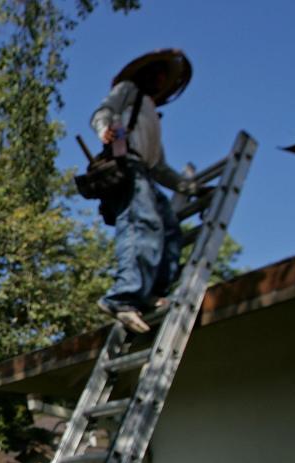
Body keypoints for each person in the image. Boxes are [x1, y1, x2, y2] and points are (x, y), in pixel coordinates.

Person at [91, 49, 200, 334]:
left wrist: (191, 188)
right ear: (146, 75)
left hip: (145, 173)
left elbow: (160, 167)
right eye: (157, 72)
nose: (161, 78)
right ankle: (122, 296)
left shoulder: (152, 115)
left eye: (165, 75)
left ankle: (151, 293)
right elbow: (104, 111)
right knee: (141, 225)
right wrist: (104, 129)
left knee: (170, 232)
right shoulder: (127, 91)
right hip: (126, 166)